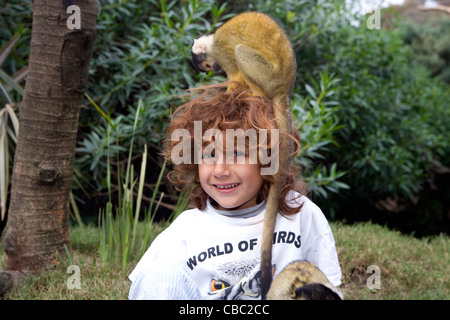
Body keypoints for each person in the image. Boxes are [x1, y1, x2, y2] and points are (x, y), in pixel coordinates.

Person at [128, 86, 342, 300]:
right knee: (159, 274)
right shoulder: (186, 231)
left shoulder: (302, 215)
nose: (220, 170)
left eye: (237, 154)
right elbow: (151, 288)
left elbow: (329, 292)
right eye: (209, 155)